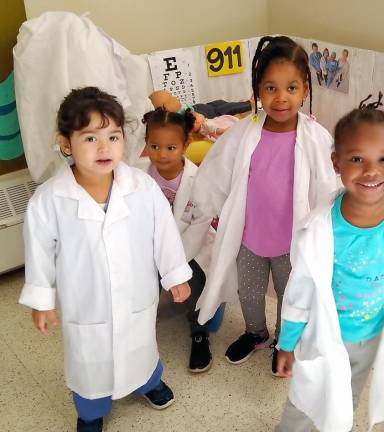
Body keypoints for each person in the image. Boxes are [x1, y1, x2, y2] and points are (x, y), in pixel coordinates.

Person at [19, 87, 192, 432]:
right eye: (90, 138)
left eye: (113, 136)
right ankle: (90, 411)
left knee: (142, 346)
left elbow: (164, 234)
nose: (104, 148)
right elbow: (38, 250)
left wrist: (175, 274)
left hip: (136, 296)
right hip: (88, 305)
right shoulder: (50, 200)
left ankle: (148, 382)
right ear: (66, 144)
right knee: (89, 364)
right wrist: (41, 299)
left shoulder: (142, 188)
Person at [275, 93, 384, 432]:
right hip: (322, 336)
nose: (371, 171)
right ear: (336, 163)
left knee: (347, 396)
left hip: (372, 337)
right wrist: (287, 344)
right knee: (305, 397)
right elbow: (300, 292)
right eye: (357, 159)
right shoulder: (319, 230)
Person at [190, 35, 338, 375]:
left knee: (291, 297)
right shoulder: (243, 132)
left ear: (305, 91)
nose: (281, 97)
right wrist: (206, 208)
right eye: (270, 88)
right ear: (257, 90)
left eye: (291, 88)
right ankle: (255, 333)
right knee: (250, 294)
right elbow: (216, 171)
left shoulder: (316, 138)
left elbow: (330, 185)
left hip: (292, 243)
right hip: (251, 239)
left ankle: (286, 342)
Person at [142, 107, 216, 373]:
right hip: (150, 249)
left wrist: (172, 265)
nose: (161, 154)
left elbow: (198, 228)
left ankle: (199, 332)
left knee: (192, 280)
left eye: (170, 147)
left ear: (185, 144)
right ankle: (137, 331)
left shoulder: (199, 181)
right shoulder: (139, 178)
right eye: (154, 146)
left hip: (190, 249)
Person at [149, 90, 252, 139]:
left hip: (202, 107)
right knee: (228, 108)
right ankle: (250, 104)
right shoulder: (178, 122)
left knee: (220, 103)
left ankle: (246, 103)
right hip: (207, 114)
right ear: (167, 109)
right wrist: (196, 116)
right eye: (171, 97)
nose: (175, 96)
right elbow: (195, 126)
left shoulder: (178, 113)